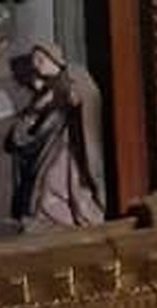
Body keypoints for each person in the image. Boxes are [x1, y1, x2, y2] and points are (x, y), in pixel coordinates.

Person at [7, 42, 105, 230]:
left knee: (57, 178)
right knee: (48, 179)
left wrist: (60, 99)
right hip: (55, 141)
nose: (37, 64)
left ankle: (67, 216)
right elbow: (33, 119)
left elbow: (85, 97)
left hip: (72, 144)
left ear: (53, 59)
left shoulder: (73, 75)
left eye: (41, 59)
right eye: (35, 60)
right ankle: (50, 216)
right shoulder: (45, 86)